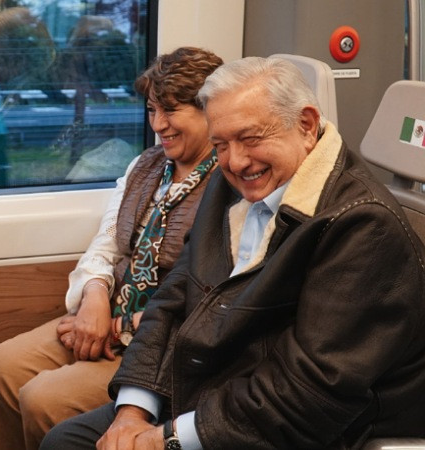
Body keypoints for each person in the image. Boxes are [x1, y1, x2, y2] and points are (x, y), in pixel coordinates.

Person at [41, 56, 425, 449]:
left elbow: (310, 393)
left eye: (251, 138)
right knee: (66, 441)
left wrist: (166, 439)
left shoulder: (363, 228)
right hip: (211, 389)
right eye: (221, 144)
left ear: (307, 126)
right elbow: (172, 300)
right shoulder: (234, 183)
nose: (236, 161)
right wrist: (132, 412)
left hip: (294, 428)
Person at [0, 47, 223, 450]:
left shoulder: (229, 182)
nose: (158, 125)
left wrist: (123, 327)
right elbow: (106, 244)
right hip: (107, 313)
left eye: (171, 111)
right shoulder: (144, 167)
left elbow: (212, 295)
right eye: (151, 111)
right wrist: (94, 299)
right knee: (1, 365)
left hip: (160, 342)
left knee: (43, 398)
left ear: (208, 111)